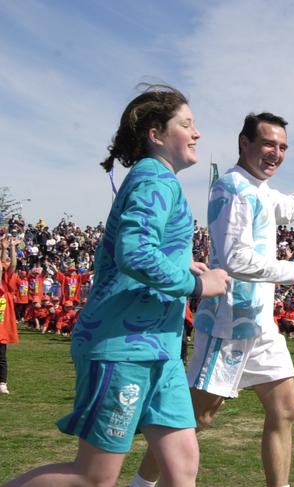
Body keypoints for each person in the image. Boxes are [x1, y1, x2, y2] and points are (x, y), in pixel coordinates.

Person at [3, 85, 230, 487]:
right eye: (187, 124)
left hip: (159, 348)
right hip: (124, 346)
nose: (197, 134)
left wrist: (181, 263)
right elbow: (135, 253)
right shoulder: (155, 179)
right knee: (93, 477)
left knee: (182, 467)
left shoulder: (159, 180)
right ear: (156, 135)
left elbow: (143, 250)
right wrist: (196, 284)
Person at [133, 112, 294, 487]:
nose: (276, 153)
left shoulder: (259, 190)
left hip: (259, 325)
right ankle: (141, 485)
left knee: (285, 410)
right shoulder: (233, 188)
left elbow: (289, 207)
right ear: (244, 143)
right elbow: (236, 259)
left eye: (282, 147)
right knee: (195, 419)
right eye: (269, 144)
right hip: (227, 324)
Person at [0, 235, 19, 394]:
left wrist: (10, 248)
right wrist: (4, 248)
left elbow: (11, 264)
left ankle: (2, 383)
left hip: (1, 327)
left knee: (1, 355)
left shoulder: (5, 289)